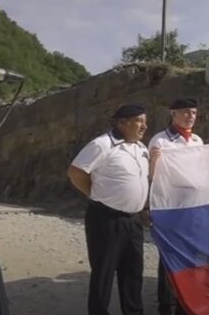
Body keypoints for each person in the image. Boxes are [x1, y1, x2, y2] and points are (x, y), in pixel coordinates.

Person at [67, 104, 149, 315]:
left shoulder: (141, 148)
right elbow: (76, 172)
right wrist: (95, 194)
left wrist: (144, 207)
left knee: (133, 273)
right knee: (103, 273)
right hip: (106, 218)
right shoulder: (103, 144)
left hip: (134, 220)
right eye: (139, 121)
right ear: (122, 122)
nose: (144, 126)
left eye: (144, 121)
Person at [149, 98, 204, 315]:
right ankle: (167, 305)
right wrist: (153, 163)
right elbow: (152, 176)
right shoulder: (160, 141)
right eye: (185, 112)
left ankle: (187, 300)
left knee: (190, 255)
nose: (190, 116)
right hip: (170, 207)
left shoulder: (197, 141)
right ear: (173, 114)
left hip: (193, 207)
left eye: (193, 112)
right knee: (169, 256)